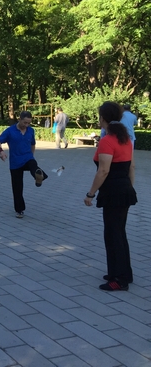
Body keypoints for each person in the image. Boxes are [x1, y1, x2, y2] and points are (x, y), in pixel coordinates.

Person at [84, 102, 137, 291]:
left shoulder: (107, 140)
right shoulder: (126, 138)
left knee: (113, 234)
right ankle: (122, 272)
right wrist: (128, 188)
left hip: (113, 192)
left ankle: (120, 280)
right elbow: (131, 167)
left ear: (103, 118)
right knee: (118, 232)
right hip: (124, 190)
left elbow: (103, 171)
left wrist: (90, 193)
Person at [0, 111, 48, 218]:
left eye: (29, 123)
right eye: (25, 122)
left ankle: (38, 177)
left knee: (33, 164)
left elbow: (33, 144)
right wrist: (1, 152)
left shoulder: (31, 131)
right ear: (19, 119)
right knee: (17, 187)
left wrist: (32, 155)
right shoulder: (10, 131)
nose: (26, 125)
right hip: (15, 162)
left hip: (27, 158)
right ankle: (19, 210)